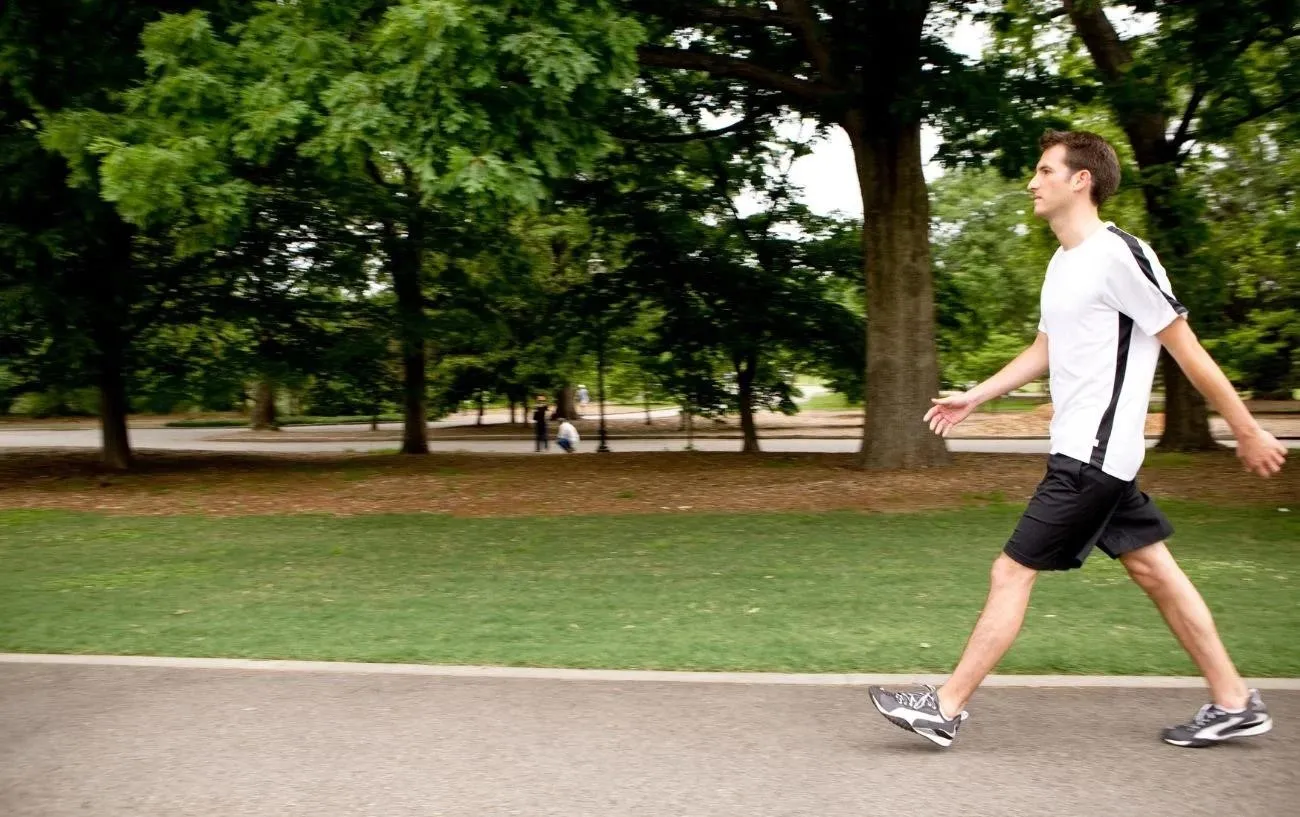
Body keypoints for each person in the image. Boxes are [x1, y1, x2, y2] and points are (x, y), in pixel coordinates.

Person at [867, 130, 1288, 750]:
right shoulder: (1064, 261)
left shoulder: (1122, 255)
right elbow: (1046, 347)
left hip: (1095, 456)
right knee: (1156, 572)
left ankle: (945, 706)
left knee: (1011, 572)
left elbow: (1186, 348)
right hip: (1091, 453)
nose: (1033, 183)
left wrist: (1245, 428)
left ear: (1080, 179)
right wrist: (977, 395)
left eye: (1044, 171)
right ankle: (1233, 701)